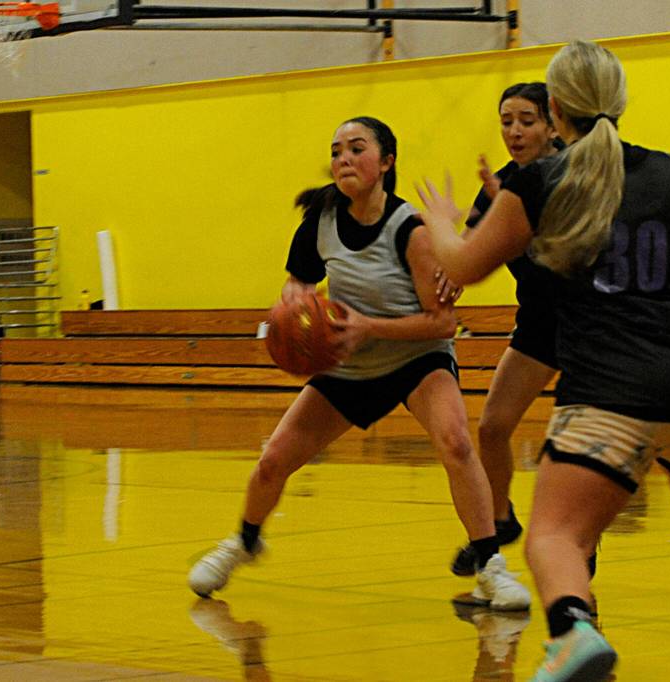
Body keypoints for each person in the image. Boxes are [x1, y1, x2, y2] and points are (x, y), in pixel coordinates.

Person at [417, 41, 670, 681]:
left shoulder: (538, 183)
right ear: (619, 101)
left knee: (553, 536)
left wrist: (440, 222)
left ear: (554, 108)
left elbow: (461, 267)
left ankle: (572, 631)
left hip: (615, 389)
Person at [188, 116, 530, 612]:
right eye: (336, 151)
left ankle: (490, 568)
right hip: (350, 363)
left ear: (386, 162)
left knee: (457, 443)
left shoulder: (409, 229)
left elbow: (442, 325)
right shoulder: (319, 222)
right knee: (272, 461)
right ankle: (243, 542)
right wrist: (293, 321)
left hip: (416, 357)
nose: (344, 158)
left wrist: (369, 327)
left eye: (356, 148)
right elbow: (296, 290)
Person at [449, 83, 596, 584]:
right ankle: (499, 521)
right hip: (537, 323)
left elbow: (567, 258)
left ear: (552, 123)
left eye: (526, 120)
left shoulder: (578, 173)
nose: (514, 131)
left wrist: (517, 220)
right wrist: (448, 269)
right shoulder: (505, 184)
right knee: (491, 428)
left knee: (578, 449)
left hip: (588, 325)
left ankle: (581, 555)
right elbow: (469, 246)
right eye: (506, 121)